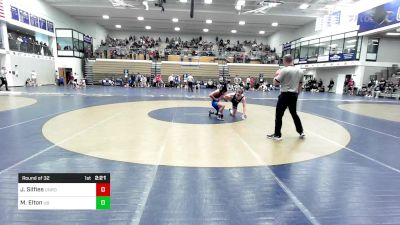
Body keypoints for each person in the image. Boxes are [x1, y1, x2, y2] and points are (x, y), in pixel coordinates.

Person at [267, 54, 305, 141]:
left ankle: (277, 135)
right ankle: (301, 131)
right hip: (294, 95)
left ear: (284, 60)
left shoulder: (284, 70)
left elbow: (275, 83)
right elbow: (300, 85)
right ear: (292, 60)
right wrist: (296, 94)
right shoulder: (300, 71)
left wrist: (276, 74)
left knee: (279, 115)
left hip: (285, 95)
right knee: (294, 114)